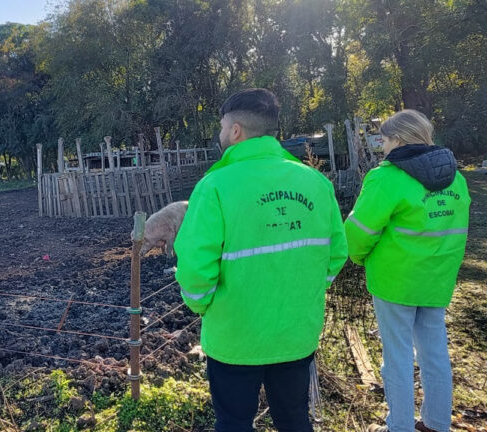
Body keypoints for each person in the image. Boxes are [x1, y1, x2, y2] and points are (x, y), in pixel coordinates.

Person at [174, 88, 347, 432]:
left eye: (223, 127)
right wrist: (305, 291)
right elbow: (336, 253)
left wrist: (202, 305)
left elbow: (195, 268)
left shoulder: (215, 186)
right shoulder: (314, 182)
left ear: (235, 130)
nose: (220, 134)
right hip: (296, 332)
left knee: (234, 423)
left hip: (235, 337)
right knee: (294, 419)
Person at [344, 109, 470, 432]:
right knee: (435, 354)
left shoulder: (386, 177)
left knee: (397, 358)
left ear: (398, 140)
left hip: (394, 282)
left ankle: (399, 426)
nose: (381, 146)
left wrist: (360, 258)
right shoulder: (456, 179)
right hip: (436, 280)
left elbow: (357, 232)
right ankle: (437, 423)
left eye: (383, 139)